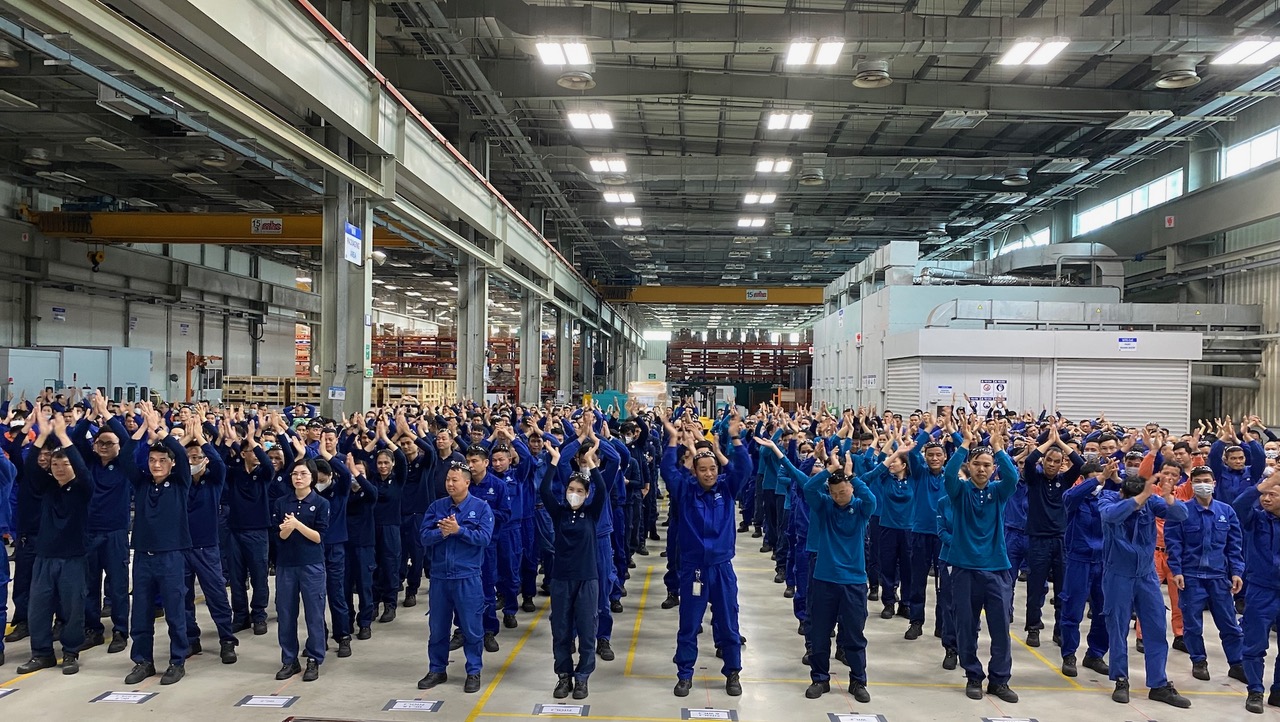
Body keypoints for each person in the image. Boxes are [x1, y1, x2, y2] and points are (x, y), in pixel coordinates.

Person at [659, 408, 752, 698]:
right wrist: (673, 440)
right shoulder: (685, 491)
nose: (709, 473)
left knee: (728, 622)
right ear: (695, 471)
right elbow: (668, 471)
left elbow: (744, 469)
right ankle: (685, 674)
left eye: (713, 468)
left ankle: (733, 673)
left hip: (722, 568)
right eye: (703, 469)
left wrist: (734, 440)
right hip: (694, 569)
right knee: (689, 623)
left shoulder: (727, 488)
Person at [1098, 452, 1191, 708]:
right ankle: (1121, 680)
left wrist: (1168, 495)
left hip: (1146, 575)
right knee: (1117, 628)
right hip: (1118, 574)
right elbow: (1112, 516)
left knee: (1155, 628)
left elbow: (1181, 515)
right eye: (1136, 499)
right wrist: (1141, 497)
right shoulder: (1108, 500)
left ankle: (1159, 683)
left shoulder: (1151, 504)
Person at [943, 415, 1020, 703]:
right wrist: (964, 444)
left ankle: (1000, 680)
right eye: (977, 464)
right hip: (964, 569)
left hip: (997, 569)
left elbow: (1012, 477)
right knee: (966, 626)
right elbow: (949, 475)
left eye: (987, 465)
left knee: (1001, 628)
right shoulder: (960, 491)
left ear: (993, 469)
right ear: (969, 467)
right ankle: (973, 675)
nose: (982, 469)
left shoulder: (998, 492)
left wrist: (999, 448)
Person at [792, 441, 876, 702]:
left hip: (853, 581)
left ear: (851, 489)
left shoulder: (861, 508)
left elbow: (871, 498)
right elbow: (808, 487)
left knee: (853, 634)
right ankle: (820, 678)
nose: (840, 497)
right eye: (835, 493)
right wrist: (830, 470)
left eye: (844, 492)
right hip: (825, 579)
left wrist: (850, 475)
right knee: (819, 631)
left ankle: (858, 681)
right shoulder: (824, 506)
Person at [16, 414, 91, 675]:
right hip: (44, 557)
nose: (60, 468)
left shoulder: (83, 489)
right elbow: (30, 467)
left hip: (73, 557)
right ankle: (42, 653)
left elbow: (83, 469)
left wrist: (63, 437)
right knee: (39, 607)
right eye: (56, 464)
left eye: (65, 464)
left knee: (72, 608)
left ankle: (70, 652)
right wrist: (44, 436)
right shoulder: (46, 487)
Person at [124, 407, 193, 686]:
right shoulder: (141, 484)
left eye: (162, 460)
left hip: (171, 556)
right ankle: (143, 661)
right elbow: (126, 458)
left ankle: (177, 661)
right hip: (143, 555)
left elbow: (183, 457)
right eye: (152, 460)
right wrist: (143, 430)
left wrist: (163, 433)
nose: (155, 465)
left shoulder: (180, 483)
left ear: (171, 463)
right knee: (140, 612)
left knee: (175, 612)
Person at [1164, 465, 1246, 683]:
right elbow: (1174, 544)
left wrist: (1236, 572)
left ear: (1214, 483)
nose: (1203, 484)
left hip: (1219, 577)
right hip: (1191, 577)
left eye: (1207, 480)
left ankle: (1237, 663)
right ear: (1191, 484)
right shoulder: (1181, 511)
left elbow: (1234, 546)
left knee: (1229, 623)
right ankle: (1199, 661)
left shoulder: (1226, 512)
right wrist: (1177, 571)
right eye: (1198, 480)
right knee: (1192, 624)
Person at [419, 460, 494, 694]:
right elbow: (423, 537)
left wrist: (459, 531)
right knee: (438, 628)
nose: (450, 484)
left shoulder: (481, 508)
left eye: (454, 480)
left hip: (467, 577)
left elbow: (484, 538)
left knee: (472, 628)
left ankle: (473, 671)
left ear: (467, 482)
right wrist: (441, 533)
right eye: (447, 480)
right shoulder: (437, 507)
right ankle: (437, 669)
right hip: (441, 577)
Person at [541, 439, 607, 700]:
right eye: (571, 489)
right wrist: (554, 462)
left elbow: (601, 489)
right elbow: (545, 490)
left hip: (587, 579)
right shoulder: (558, 513)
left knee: (587, 631)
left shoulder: (591, 513)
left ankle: (582, 678)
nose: (574, 493)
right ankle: (563, 676)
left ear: (586, 494)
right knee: (561, 630)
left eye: (579, 490)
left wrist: (591, 463)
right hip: (561, 579)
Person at [74, 395, 135, 655]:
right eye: (100, 442)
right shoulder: (88, 462)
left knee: (118, 584)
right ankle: (93, 630)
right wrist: (90, 416)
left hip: (115, 532)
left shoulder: (123, 465)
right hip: (89, 532)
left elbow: (128, 440)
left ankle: (120, 630)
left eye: (109, 443)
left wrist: (107, 415)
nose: (104, 446)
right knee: (89, 585)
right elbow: (76, 439)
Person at [1021, 422, 1084, 648]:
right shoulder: (1034, 479)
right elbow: (1028, 461)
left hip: (1060, 540)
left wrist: (1060, 443)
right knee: (1035, 588)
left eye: (1057, 462)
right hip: (1038, 540)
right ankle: (1033, 628)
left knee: (1062, 590)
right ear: (1043, 461)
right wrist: (1048, 442)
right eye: (1049, 460)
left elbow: (1080, 464)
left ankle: (1060, 630)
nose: (1052, 465)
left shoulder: (1065, 480)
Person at [183, 419, 239, 664]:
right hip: (182, 547)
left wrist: (201, 439)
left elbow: (218, 463)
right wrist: (186, 439)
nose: (193, 462)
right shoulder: (179, 482)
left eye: (197, 457)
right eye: (189, 458)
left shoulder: (214, 481)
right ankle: (190, 639)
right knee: (182, 597)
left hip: (207, 547)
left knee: (216, 594)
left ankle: (227, 639)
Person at [272, 457, 330, 682]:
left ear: (312, 478)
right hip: (286, 565)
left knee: (314, 614)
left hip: (311, 565)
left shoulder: (321, 503)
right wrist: (287, 529)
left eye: (304, 474)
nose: (298, 478)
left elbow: (318, 537)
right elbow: (279, 536)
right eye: (295, 474)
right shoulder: (281, 503)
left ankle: (314, 658)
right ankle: (289, 659)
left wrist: (297, 525)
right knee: (286, 613)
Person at [1058, 459, 1113, 678]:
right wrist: (1097, 480)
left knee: (1103, 611)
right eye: (1094, 479)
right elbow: (1070, 497)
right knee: (1072, 609)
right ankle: (1069, 654)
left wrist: (1112, 479)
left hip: (1103, 562)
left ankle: (1095, 654)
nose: (1099, 485)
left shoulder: (1107, 499)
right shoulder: (1074, 498)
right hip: (1078, 560)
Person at [1232, 470, 1280, 713]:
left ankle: (1278, 691)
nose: (1266, 498)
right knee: (1254, 644)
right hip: (1261, 589)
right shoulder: (1257, 519)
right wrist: (1262, 485)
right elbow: (1239, 506)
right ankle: (1255, 690)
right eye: (1264, 494)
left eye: (1273, 494)